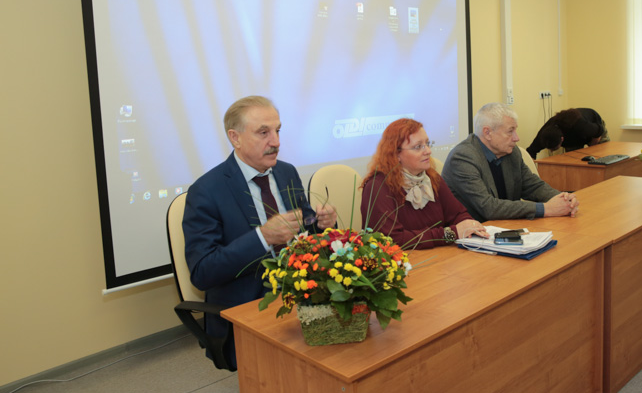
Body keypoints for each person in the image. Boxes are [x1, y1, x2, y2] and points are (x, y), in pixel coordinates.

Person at [182, 96, 336, 368]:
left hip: (301, 291)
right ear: (235, 138)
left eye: (278, 130)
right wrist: (262, 238)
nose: (276, 141)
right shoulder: (206, 191)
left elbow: (306, 227)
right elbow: (203, 272)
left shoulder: (286, 173)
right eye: (263, 132)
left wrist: (323, 223)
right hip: (250, 303)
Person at [361, 118, 488, 250]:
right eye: (418, 147)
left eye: (427, 144)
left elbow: (457, 214)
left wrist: (470, 227)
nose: (428, 151)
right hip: (406, 260)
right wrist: (449, 234)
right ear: (396, 154)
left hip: (440, 256)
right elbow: (392, 239)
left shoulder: (431, 177)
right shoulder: (378, 187)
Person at [442, 103, 579, 222]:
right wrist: (546, 209)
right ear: (487, 133)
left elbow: (533, 186)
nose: (516, 138)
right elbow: (489, 208)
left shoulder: (511, 152)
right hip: (473, 234)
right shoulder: (462, 158)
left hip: (505, 227)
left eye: (515, 130)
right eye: (510, 131)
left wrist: (563, 199)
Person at [526, 107, 609, 159]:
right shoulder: (544, 134)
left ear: (562, 139)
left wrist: (592, 149)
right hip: (576, 136)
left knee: (602, 157)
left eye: (554, 148)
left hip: (595, 126)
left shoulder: (581, 126)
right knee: (573, 161)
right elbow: (530, 152)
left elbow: (599, 131)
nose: (551, 151)